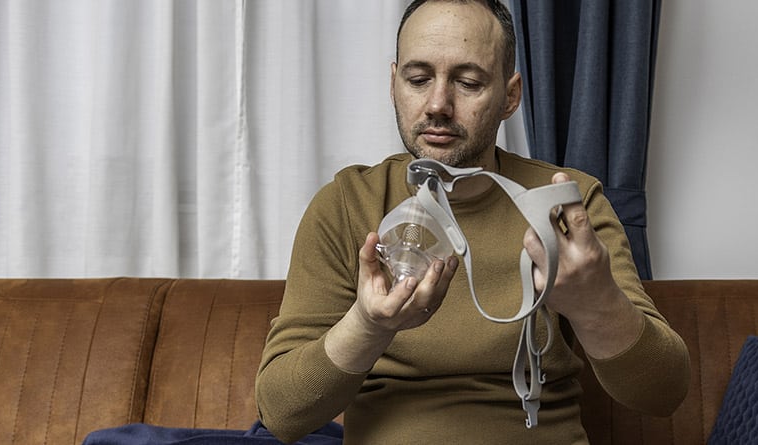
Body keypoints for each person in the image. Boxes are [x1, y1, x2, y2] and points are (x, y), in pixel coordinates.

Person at [254, 1, 690, 443]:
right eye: (418, 79)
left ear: (510, 96)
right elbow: (282, 414)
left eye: (468, 82)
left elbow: (663, 395)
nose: (438, 104)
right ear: (393, 84)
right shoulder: (347, 204)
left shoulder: (567, 206)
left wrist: (595, 304)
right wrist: (369, 326)